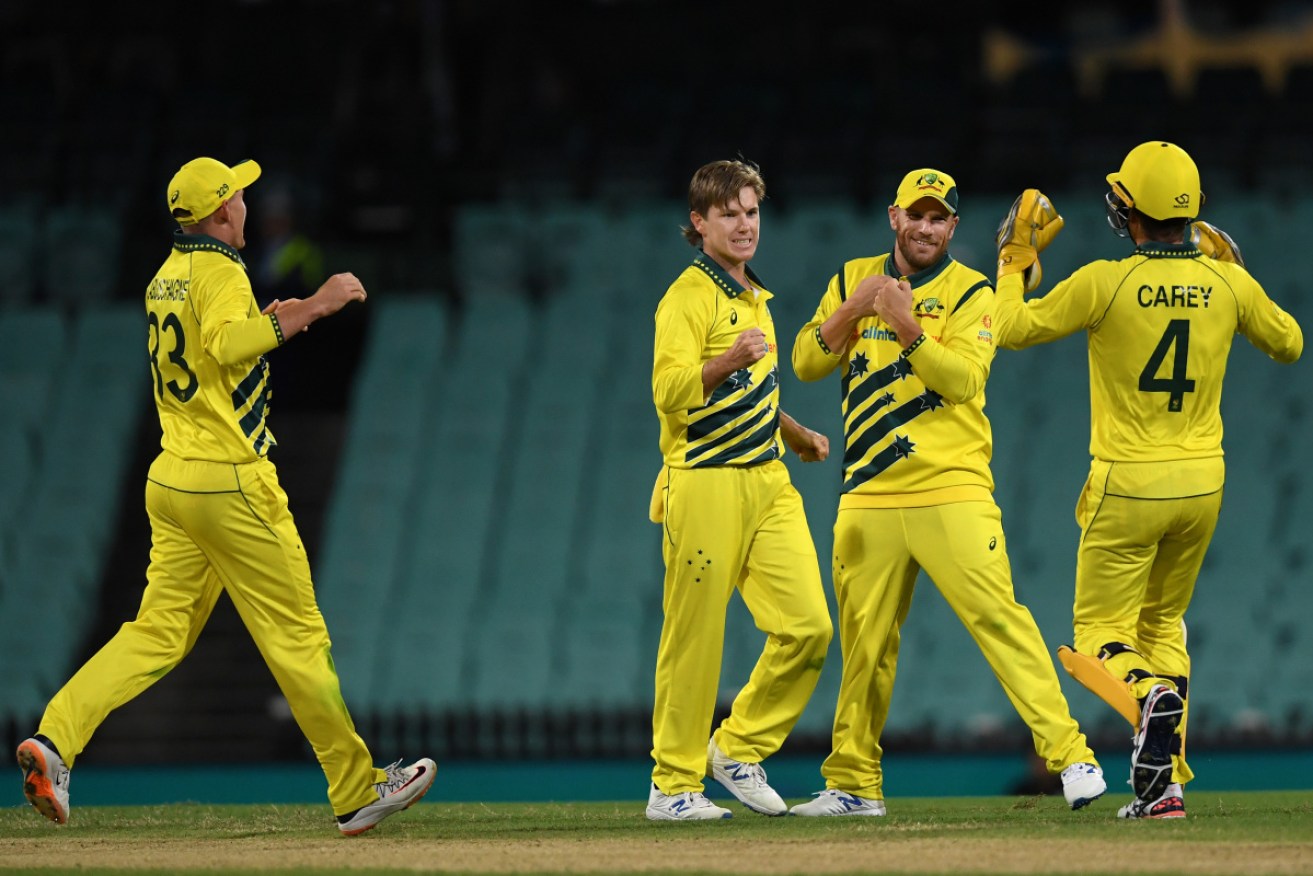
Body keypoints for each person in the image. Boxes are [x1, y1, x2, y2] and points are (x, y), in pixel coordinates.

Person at [14, 156, 436, 836]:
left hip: (174, 476)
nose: (247, 201)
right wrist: (322, 301)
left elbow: (218, 348)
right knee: (298, 638)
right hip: (231, 480)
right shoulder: (222, 271)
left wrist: (286, 315)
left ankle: (55, 741)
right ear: (219, 213)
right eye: (238, 194)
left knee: (156, 632)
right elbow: (231, 343)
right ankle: (357, 790)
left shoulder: (165, 277)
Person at [991, 141, 1304, 819]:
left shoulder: (1105, 280)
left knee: (1097, 633)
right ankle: (1163, 787)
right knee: (1163, 625)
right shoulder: (1228, 283)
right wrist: (1234, 273)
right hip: (1202, 486)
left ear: (1127, 211)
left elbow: (1009, 328)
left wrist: (1015, 263)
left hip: (1128, 482)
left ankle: (1146, 699)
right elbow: (1288, 343)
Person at [789, 168, 1106, 817]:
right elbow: (804, 361)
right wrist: (856, 307)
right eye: (916, 214)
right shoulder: (851, 277)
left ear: (953, 227)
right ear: (892, 217)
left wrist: (906, 327)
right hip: (867, 494)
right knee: (865, 647)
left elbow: (962, 379)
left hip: (951, 488)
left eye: (938, 218)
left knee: (1000, 622)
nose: (925, 227)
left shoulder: (971, 293)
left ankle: (1071, 757)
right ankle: (852, 784)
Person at [647, 158, 834, 821]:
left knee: (808, 627)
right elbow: (668, 392)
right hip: (705, 484)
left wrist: (792, 432)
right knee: (694, 640)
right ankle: (671, 787)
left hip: (766, 481)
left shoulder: (753, 294)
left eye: (751, 211)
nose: (743, 224)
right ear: (698, 223)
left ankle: (736, 745)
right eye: (728, 213)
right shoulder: (688, 297)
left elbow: (749, 389)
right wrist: (725, 359)